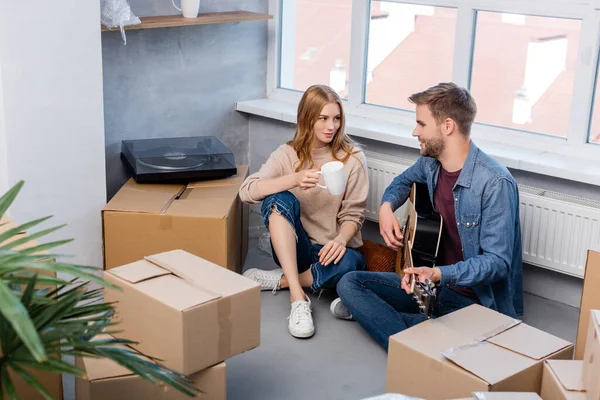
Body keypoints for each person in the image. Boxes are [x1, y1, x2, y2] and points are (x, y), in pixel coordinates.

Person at [332, 82, 524, 351]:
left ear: (447, 126)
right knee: (350, 282)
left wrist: (438, 274)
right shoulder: (430, 162)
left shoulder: (495, 183)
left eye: (421, 124)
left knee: (376, 307)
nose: (415, 132)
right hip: (430, 287)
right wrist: (387, 207)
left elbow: (497, 263)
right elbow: (401, 182)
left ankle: (402, 334)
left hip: (474, 301)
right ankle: (421, 334)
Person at [239, 84, 369, 339]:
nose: (331, 126)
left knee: (354, 263)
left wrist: (342, 240)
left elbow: (353, 214)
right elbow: (247, 192)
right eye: (323, 118)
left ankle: (284, 280)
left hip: (330, 252)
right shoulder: (287, 154)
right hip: (295, 249)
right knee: (277, 197)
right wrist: (294, 179)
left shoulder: (353, 158)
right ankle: (298, 299)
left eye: (336, 118)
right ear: (306, 118)